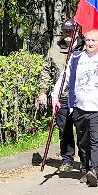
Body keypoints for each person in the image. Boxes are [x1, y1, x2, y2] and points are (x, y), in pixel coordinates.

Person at [49, 25, 98, 187]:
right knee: (83, 142)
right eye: (88, 40)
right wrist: (55, 95)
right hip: (78, 107)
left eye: (94, 40)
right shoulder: (76, 58)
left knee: (96, 140)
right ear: (84, 41)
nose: (90, 43)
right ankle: (86, 168)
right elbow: (64, 77)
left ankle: (95, 170)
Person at [39, 20, 82, 167]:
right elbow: (46, 70)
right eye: (66, 31)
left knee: (82, 130)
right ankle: (67, 159)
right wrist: (43, 91)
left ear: (77, 31)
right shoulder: (55, 49)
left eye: (71, 31)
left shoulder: (85, 48)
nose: (68, 34)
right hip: (62, 96)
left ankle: (85, 161)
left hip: (81, 97)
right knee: (64, 129)